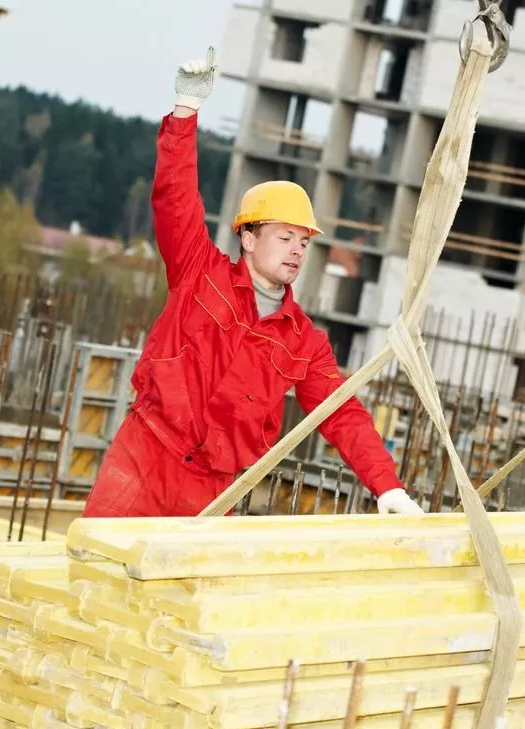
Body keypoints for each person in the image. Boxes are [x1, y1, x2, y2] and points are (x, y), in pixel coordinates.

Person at [81, 49, 422, 518]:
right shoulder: (200, 274)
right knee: (95, 575)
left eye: (304, 242)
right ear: (247, 236)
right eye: (285, 237)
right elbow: (175, 198)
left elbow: (341, 414)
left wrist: (388, 488)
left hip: (211, 493)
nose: (298, 250)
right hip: (143, 461)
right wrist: (185, 111)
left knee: (177, 592)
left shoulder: (304, 342)